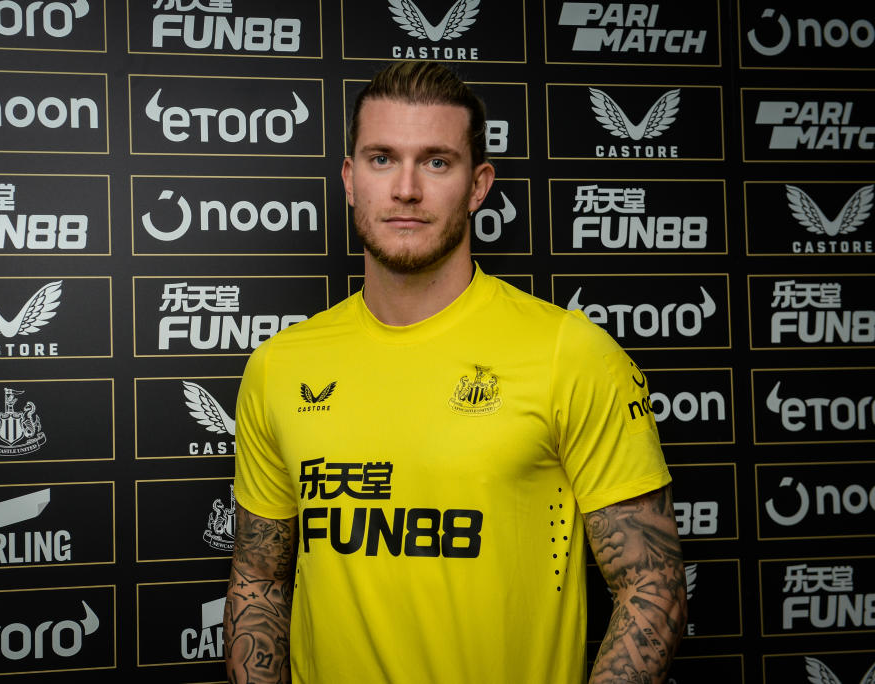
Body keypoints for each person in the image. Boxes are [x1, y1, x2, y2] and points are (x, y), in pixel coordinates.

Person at [224, 61, 687, 684]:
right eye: (381, 158)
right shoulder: (279, 367)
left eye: (437, 161)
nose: (407, 188)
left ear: (478, 184)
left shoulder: (569, 352)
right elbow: (259, 577)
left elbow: (650, 586)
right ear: (350, 178)